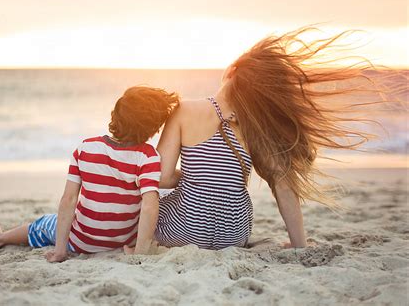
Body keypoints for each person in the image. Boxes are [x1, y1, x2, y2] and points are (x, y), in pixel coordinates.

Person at [150, 26, 380, 250]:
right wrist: (299, 245)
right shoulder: (257, 127)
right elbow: (284, 188)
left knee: (153, 202)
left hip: (184, 231)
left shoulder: (185, 109)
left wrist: (194, 177)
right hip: (234, 235)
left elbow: (161, 177)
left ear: (232, 70)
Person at [0, 86, 179, 262]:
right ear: (153, 128)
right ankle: (0, 237)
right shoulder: (148, 156)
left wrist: (61, 251)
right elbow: (149, 207)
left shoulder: (86, 148)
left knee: (44, 223)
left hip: (82, 242)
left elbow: (68, 200)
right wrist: (139, 252)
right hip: (122, 241)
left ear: (115, 115)